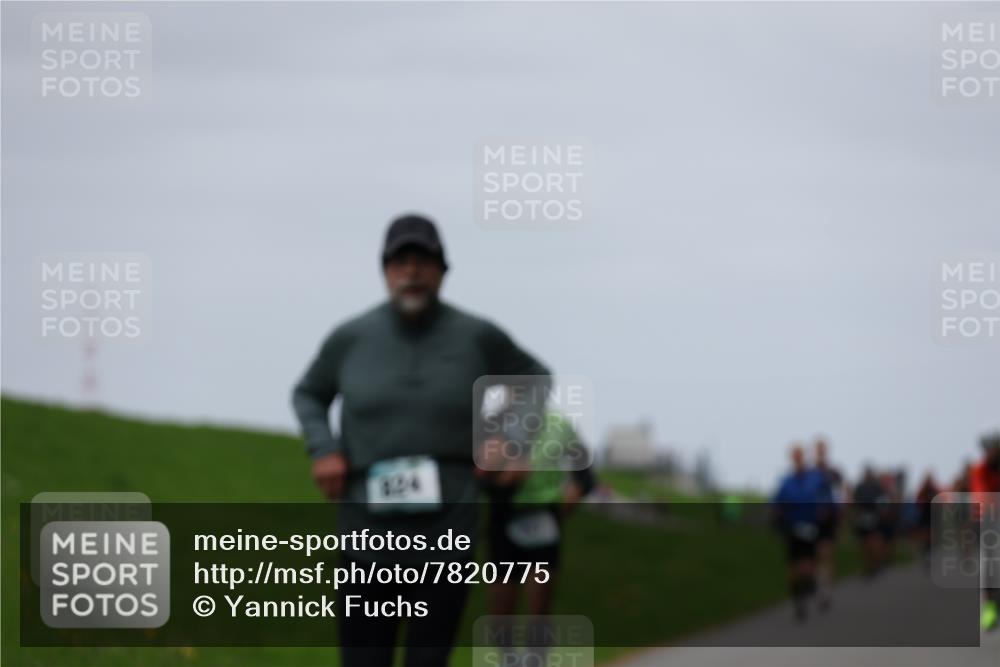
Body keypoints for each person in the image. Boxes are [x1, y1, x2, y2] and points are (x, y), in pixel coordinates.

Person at [291, 214, 550, 667]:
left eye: (424, 261)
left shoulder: (476, 336)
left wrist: (510, 439)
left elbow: (534, 378)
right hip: (366, 531)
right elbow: (308, 393)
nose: (412, 270)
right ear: (385, 270)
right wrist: (324, 449)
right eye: (400, 261)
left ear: (442, 271)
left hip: (447, 527)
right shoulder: (351, 338)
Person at [481, 408, 595, 663]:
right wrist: (498, 479)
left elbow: (585, 473)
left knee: (539, 603)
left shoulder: (559, 425)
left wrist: (573, 495)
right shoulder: (492, 424)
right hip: (504, 519)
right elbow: (475, 474)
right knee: (500, 607)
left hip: (544, 519)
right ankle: (507, 660)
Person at [772, 444, 833, 621]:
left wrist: (824, 512)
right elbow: (777, 503)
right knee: (793, 566)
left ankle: (809, 586)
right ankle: (798, 599)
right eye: (794, 456)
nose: (798, 460)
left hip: (811, 526)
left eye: (800, 456)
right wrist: (778, 516)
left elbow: (826, 498)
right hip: (792, 527)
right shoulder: (786, 481)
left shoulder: (816, 479)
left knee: (807, 564)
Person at [970, 432, 1000, 632]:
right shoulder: (980, 470)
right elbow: (981, 493)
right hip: (989, 518)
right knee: (992, 562)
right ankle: (990, 607)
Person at [813, 437, 844, 610]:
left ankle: (826, 590)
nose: (820, 452)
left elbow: (839, 494)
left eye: (822, 449)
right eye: (818, 449)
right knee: (815, 555)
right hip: (811, 517)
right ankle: (820, 583)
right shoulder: (810, 472)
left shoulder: (833, 473)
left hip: (828, 518)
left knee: (826, 554)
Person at [852, 466, 890, 577]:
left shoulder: (874, 487)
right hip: (867, 517)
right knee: (866, 543)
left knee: (871, 542)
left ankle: (873, 565)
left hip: (871, 516)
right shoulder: (870, 487)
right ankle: (871, 566)